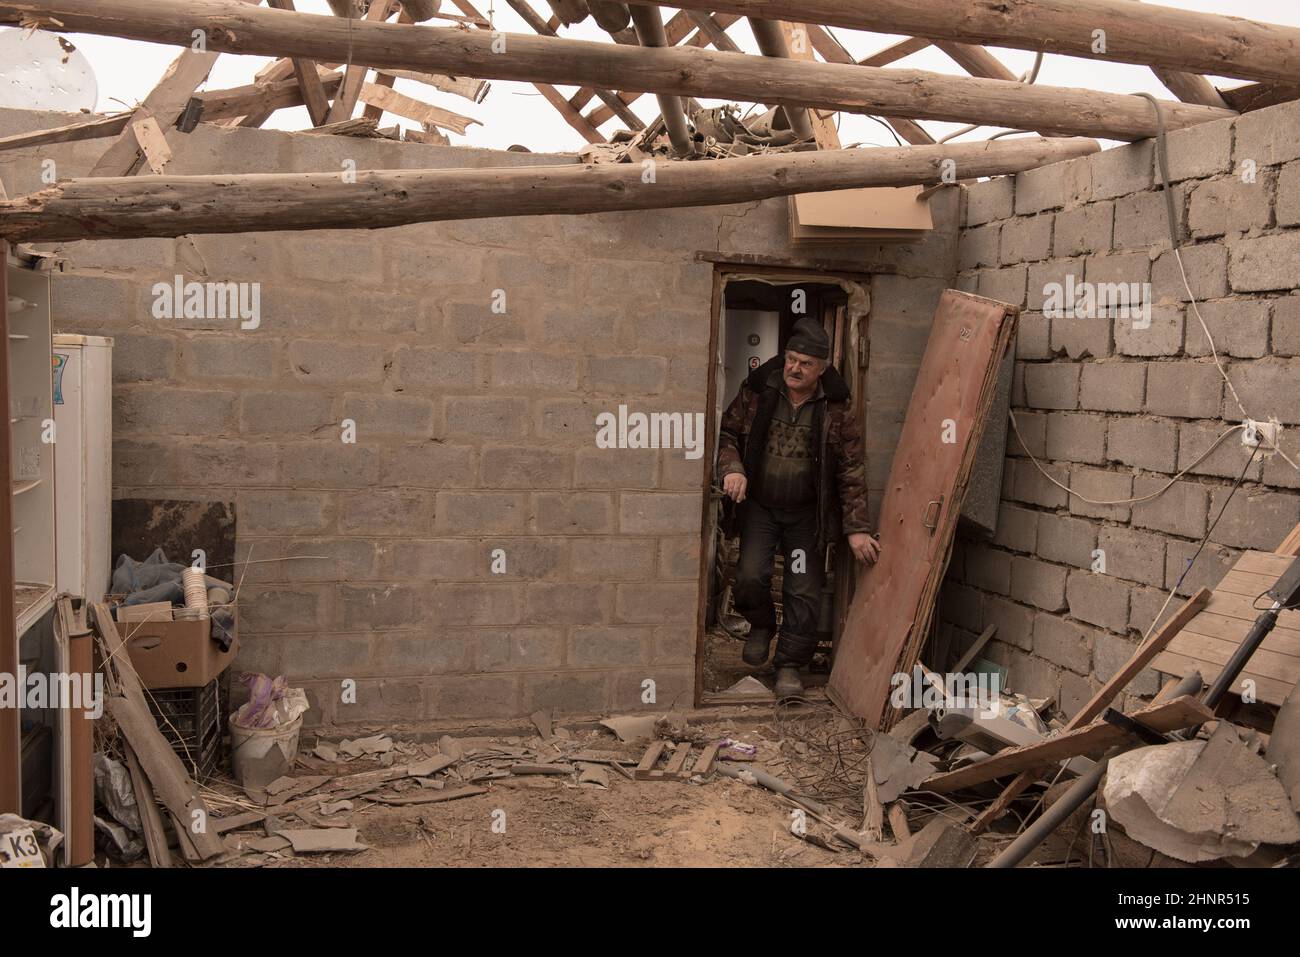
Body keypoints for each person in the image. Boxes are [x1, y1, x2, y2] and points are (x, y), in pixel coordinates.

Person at [717, 317, 880, 699]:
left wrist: (856, 527)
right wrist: (732, 468)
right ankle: (760, 625)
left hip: (806, 516)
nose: (794, 368)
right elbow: (727, 434)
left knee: (803, 590)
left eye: (805, 363)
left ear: (822, 369)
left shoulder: (837, 408)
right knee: (750, 576)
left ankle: (789, 665)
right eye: (791, 359)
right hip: (761, 509)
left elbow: (851, 469)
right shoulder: (758, 390)